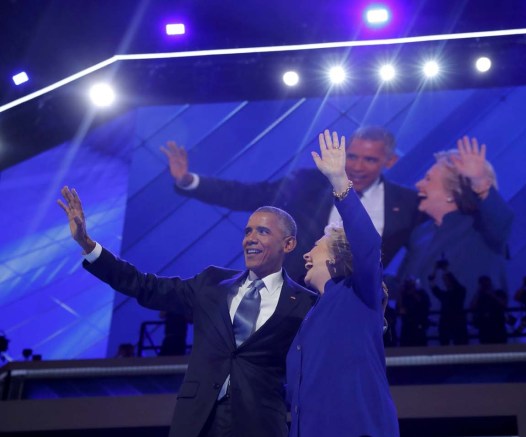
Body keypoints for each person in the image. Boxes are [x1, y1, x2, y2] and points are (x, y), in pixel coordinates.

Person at [57, 187, 316, 437]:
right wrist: (88, 244)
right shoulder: (212, 283)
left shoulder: (305, 303)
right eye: (248, 231)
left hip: (260, 422)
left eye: (262, 231)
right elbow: (146, 286)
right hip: (197, 418)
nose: (250, 238)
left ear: (289, 243)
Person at [161, 126, 423, 282]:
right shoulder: (309, 183)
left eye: (369, 160)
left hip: (366, 306)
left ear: (389, 162)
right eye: (352, 156)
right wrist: (188, 180)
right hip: (297, 296)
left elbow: (431, 248)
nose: (356, 166)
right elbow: (248, 195)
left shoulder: (407, 203)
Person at [286, 130, 399, 437]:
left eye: (317, 245)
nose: (307, 254)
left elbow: (367, 245)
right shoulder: (312, 313)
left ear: (337, 256)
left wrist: (339, 181)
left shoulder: (360, 296)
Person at [398, 136, 514, 309]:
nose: (418, 184)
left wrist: (480, 183)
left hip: (469, 334)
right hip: (420, 334)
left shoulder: (481, 230)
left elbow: (502, 221)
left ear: (451, 194)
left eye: (428, 179)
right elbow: (403, 284)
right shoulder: (420, 234)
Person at [429, 269, 469, 346]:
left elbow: (436, 289)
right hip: (446, 323)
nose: (445, 282)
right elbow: (434, 289)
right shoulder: (445, 295)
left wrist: (445, 270)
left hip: (457, 322)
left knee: (460, 343)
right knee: (445, 343)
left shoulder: (459, 292)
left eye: (446, 280)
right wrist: (432, 276)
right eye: (444, 280)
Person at [470, 275, 509, 344]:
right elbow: (472, 307)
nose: (485, 286)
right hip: (484, 327)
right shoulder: (479, 296)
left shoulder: (498, 293)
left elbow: (504, 304)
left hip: (498, 325)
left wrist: (492, 295)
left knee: (501, 347)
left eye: (486, 284)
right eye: (482, 284)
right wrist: (478, 294)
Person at [397, 276, 431, 346]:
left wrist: (413, 292)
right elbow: (400, 310)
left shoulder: (421, 293)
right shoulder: (404, 295)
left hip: (419, 323)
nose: (410, 286)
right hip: (407, 326)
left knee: (420, 344)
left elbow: (424, 304)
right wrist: (400, 293)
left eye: (411, 284)